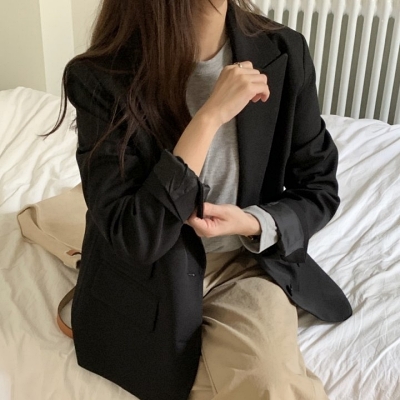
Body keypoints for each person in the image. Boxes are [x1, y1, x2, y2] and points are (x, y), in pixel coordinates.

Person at [53, 0, 352, 399]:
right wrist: (209, 118)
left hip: (245, 264)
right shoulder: (100, 77)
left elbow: (318, 188)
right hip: (150, 274)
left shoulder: (283, 49)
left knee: (272, 386)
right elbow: (137, 236)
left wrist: (253, 223)